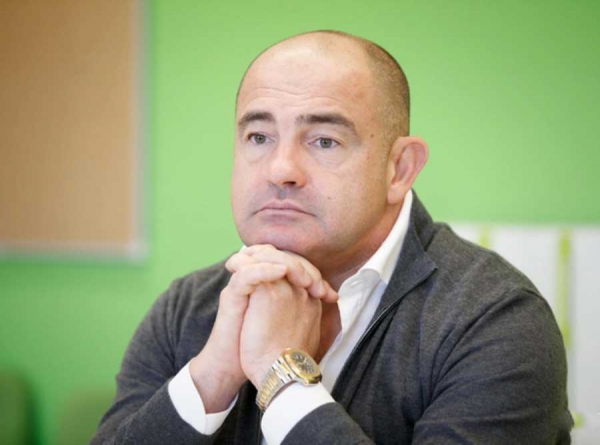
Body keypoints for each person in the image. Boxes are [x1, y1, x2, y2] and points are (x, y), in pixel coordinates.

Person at [92, 30, 572, 444]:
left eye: (324, 141)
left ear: (399, 169)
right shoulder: (186, 308)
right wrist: (211, 377)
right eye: (259, 137)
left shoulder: (494, 319)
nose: (280, 170)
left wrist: (282, 377)